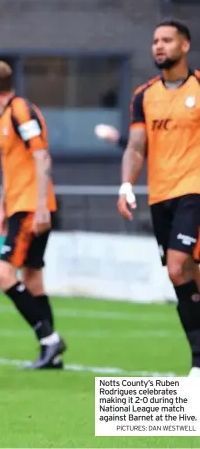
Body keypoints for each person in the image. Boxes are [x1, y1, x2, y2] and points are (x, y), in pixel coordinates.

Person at [117, 19, 200, 377]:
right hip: (160, 195)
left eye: (166, 40)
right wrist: (125, 185)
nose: (159, 46)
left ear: (185, 45)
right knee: (183, 276)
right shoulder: (143, 95)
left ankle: (197, 363)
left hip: (194, 190)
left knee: (177, 266)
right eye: (154, 41)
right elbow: (136, 147)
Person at [0, 60, 66, 369]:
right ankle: (51, 352)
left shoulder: (20, 111)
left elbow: (41, 156)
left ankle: (50, 340)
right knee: (32, 278)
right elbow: (13, 167)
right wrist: (2, 206)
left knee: (3, 275)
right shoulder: (5, 117)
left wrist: (41, 207)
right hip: (19, 205)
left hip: (31, 206)